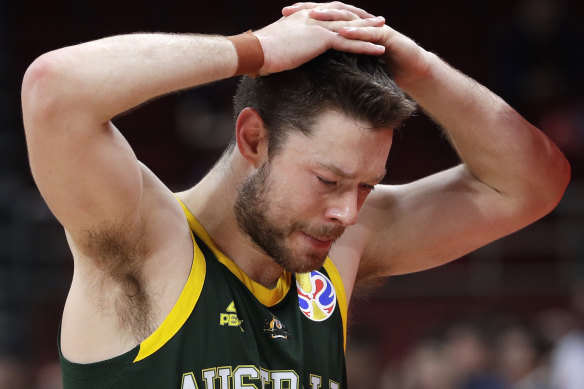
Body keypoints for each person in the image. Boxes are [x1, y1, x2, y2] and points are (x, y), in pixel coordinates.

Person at [21, 2, 570, 388]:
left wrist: (416, 67)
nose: (347, 213)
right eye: (328, 181)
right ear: (253, 139)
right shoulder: (146, 240)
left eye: (366, 186)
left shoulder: (343, 246)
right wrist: (256, 49)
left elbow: (534, 183)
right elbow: (54, 90)